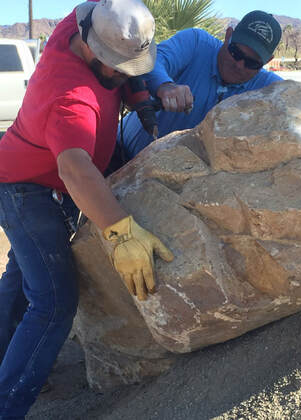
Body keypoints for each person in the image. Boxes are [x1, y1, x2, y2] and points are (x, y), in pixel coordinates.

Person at [0, 0, 174, 417]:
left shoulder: (88, 21)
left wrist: (139, 92)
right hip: (27, 188)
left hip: (34, 177)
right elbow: (75, 170)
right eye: (117, 66)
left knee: (23, 276)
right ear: (92, 47)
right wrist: (121, 233)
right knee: (54, 301)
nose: (120, 72)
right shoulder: (69, 97)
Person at [119, 10, 283, 160]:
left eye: (252, 63)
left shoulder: (271, 87)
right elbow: (151, 61)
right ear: (228, 35)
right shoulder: (196, 42)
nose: (239, 64)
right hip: (121, 153)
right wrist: (165, 85)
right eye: (236, 52)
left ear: (267, 61)